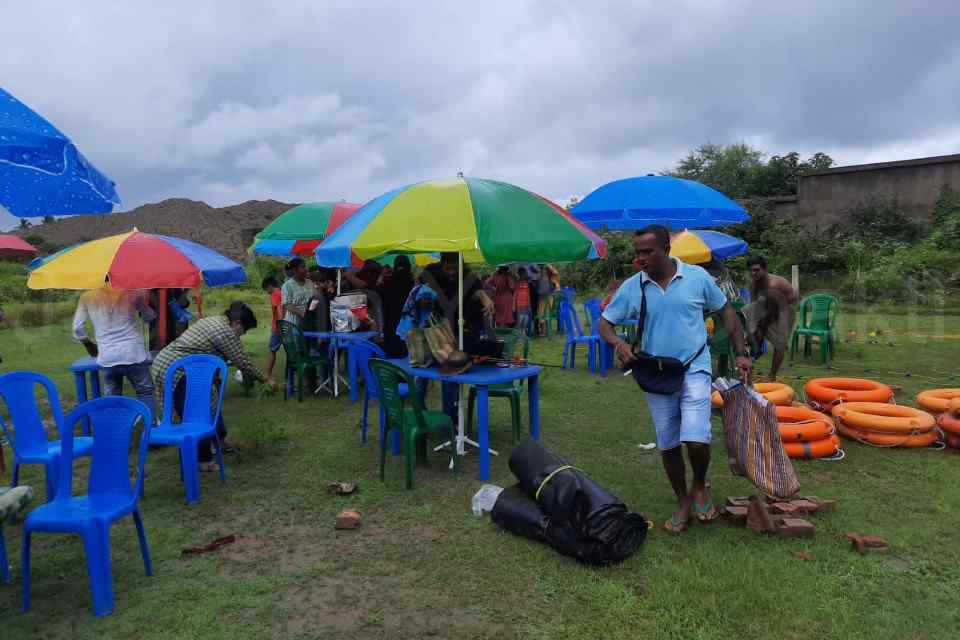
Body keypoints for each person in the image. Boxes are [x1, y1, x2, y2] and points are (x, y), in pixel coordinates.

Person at [599, 225, 752, 534]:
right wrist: (619, 343)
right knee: (668, 442)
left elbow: (726, 312)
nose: (641, 258)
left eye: (648, 252)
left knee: (696, 438)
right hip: (656, 373)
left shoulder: (697, 277)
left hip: (695, 366)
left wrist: (741, 352)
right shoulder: (634, 286)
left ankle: (699, 485)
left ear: (666, 249)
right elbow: (605, 323)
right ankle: (682, 500)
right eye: (637, 253)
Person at [151, 302, 277, 471]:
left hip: (177, 365)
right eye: (244, 331)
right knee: (197, 414)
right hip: (175, 369)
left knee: (211, 402)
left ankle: (220, 441)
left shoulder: (217, 320)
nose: (242, 335)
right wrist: (266, 380)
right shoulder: (225, 331)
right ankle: (202, 460)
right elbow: (243, 362)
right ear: (237, 323)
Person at [420, 252, 494, 421]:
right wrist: (424, 296)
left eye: (455, 269)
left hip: (459, 334)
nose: (451, 272)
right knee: (422, 374)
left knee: (450, 378)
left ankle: (450, 421)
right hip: (434, 333)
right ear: (441, 265)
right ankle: (420, 415)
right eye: (448, 269)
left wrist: (484, 297)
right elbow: (418, 287)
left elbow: (478, 292)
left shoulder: (469, 277)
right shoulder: (431, 272)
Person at [72, 286, 158, 420]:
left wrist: (88, 344)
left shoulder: (87, 297)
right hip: (133, 353)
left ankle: (114, 431)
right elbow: (149, 316)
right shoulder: (133, 292)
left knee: (112, 398)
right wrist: (148, 303)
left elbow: (77, 328)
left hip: (108, 356)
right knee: (145, 392)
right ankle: (151, 428)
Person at [344, 256, 415, 357]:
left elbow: (371, 291)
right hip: (406, 326)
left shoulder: (388, 282)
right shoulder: (412, 283)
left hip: (388, 326)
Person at [743, 255, 799, 381]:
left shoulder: (773, 285)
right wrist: (756, 327)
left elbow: (773, 311)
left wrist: (763, 326)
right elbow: (754, 305)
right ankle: (749, 366)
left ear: (765, 269)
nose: (754, 273)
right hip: (767, 306)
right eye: (751, 270)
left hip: (785, 308)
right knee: (754, 334)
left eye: (757, 270)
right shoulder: (754, 285)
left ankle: (772, 376)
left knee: (780, 344)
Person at [281, 258, 315, 327]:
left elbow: (314, 299)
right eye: (303, 267)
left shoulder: (310, 283)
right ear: (294, 270)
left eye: (305, 266)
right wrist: (302, 313)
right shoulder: (287, 285)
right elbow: (287, 305)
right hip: (293, 324)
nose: (306, 269)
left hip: (309, 322)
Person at [262, 276, 282, 380]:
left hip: (278, 327)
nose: (267, 292)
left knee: (272, 350)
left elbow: (279, 310)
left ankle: (267, 374)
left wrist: (280, 324)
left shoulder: (275, 294)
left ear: (270, 286)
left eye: (266, 290)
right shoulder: (282, 291)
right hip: (285, 325)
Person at [514, 268, 533, 334]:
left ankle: (524, 331)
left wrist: (529, 305)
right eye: (522, 274)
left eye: (524, 273)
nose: (523, 275)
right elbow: (515, 295)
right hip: (519, 304)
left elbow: (528, 295)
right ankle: (519, 332)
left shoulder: (527, 284)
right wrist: (513, 306)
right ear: (519, 274)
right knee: (520, 318)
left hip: (526, 304)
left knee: (526, 318)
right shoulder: (517, 283)